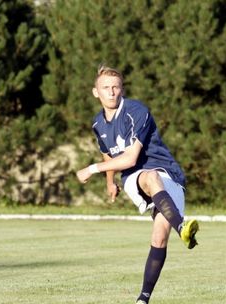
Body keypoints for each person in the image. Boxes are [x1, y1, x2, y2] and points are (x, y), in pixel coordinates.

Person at [76, 64, 199, 304]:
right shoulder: (97, 124)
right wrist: (110, 182)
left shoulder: (135, 111)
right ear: (95, 92)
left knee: (159, 238)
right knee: (149, 176)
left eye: (115, 87)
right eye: (105, 88)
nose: (111, 92)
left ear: (122, 89)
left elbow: (130, 156)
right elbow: (111, 156)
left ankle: (142, 299)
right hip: (136, 176)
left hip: (170, 175)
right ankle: (183, 226)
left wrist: (92, 170)